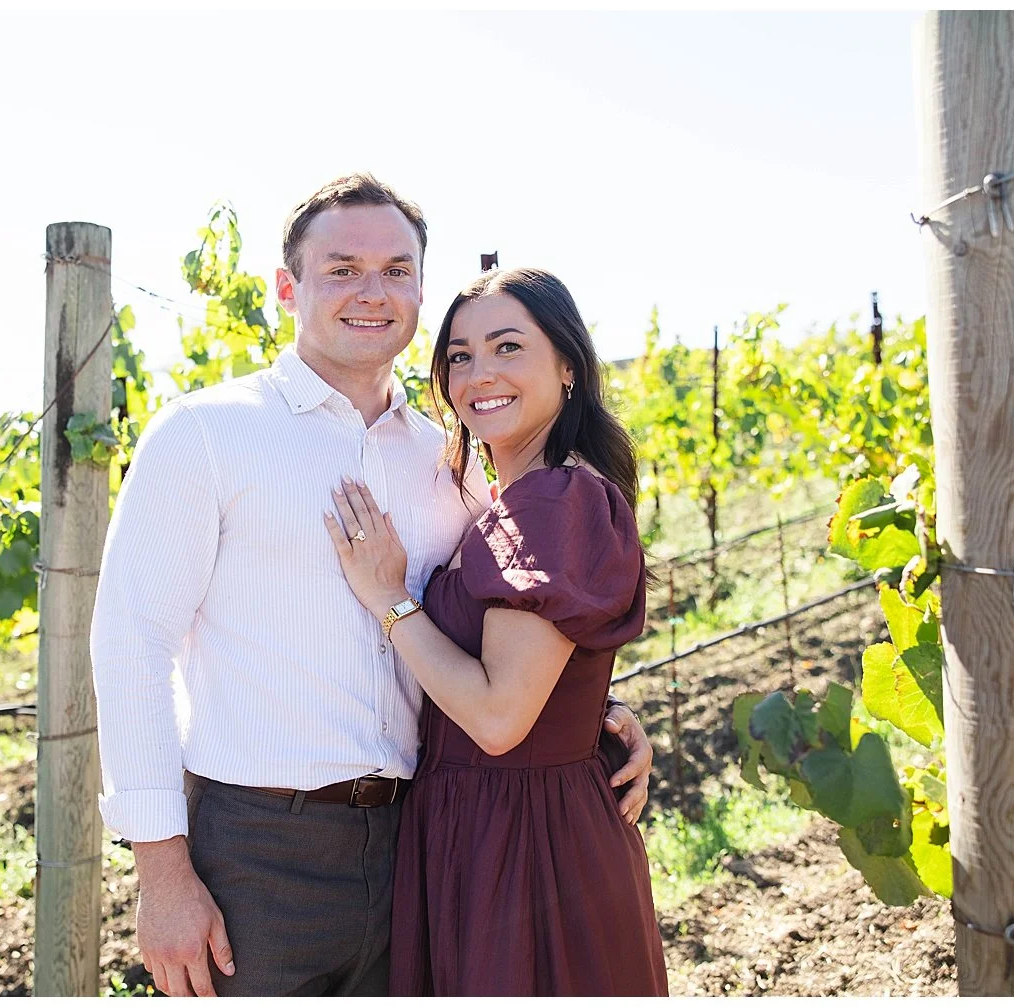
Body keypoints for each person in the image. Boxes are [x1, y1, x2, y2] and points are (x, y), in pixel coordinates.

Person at [90, 173, 655, 997]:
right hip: (257, 853)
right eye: (343, 266)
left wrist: (594, 714)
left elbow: (512, 629)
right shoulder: (207, 434)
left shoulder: (452, 466)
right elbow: (131, 642)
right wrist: (162, 873)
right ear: (289, 287)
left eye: (396, 269)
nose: (372, 290)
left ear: (421, 289)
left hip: (419, 847)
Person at [324, 266, 669, 995]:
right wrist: (599, 712)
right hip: (501, 828)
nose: (480, 373)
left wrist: (389, 599)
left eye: (509, 347)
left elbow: (496, 716)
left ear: (568, 364)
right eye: (459, 355)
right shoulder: (518, 498)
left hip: (522, 848)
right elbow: (541, 673)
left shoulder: (552, 497)